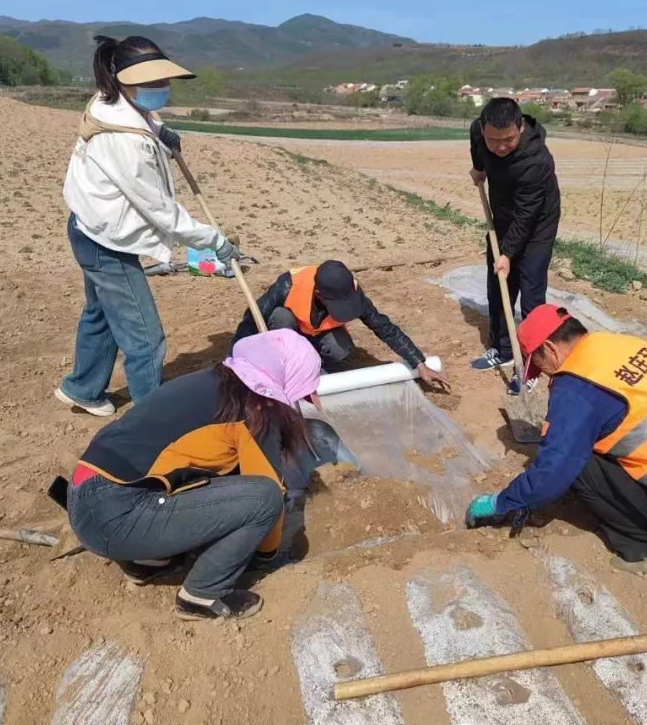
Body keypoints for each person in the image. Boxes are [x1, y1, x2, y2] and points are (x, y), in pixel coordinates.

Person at [465, 305, 647, 574]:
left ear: (550, 348)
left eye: (539, 365)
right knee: (596, 437)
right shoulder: (621, 343)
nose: (543, 375)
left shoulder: (576, 388)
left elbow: (552, 473)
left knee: (576, 463)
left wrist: (501, 503)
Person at [66, 329, 321, 620]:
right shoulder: (253, 410)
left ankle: (145, 560)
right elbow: (268, 491)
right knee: (265, 497)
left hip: (86, 496)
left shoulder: (214, 382)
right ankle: (202, 593)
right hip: (114, 514)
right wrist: (265, 554)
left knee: (220, 479)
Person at [56, 34, 244, 416]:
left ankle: (83, 388)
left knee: (102, 314)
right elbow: (164, 214)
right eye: (153, 82)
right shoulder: (124, 142)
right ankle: (152, 420)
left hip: (90, 227)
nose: (161, 89)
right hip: (105, 243)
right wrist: (216, 243)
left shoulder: (113, 100)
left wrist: (162, 133)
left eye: (164, 80)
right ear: (125, 80)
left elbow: (144, 120)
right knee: (146, 338)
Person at [232, 260, 449, 389]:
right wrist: (236, 363)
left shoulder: (352, 290)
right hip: (291, 333)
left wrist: (418, 363)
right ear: (319, 294)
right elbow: (252, 318)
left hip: (319, 336)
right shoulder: (288, 284)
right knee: (280, 317)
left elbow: (384, 327)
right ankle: (289, 368)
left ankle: (323, 371)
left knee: (340, 348)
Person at [468, 97, 561, 393]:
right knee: (498, 286)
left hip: (536, 224)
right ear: (484, 129)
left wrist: (508, 254)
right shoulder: (479, 132)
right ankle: (503, 350)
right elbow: (476, 144)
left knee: (531, 292)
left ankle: (532, 364)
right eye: (493, 140)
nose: (500, 146)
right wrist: (479, 168)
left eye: (507, 140)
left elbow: (527, 216)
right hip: (503, 215)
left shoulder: (537, 161)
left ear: (520, 128)